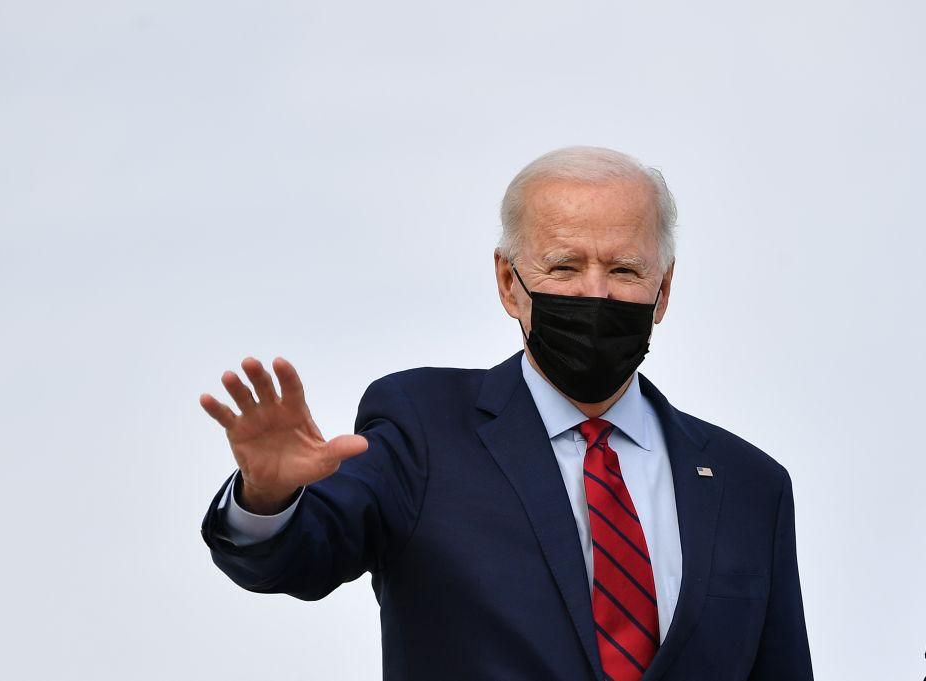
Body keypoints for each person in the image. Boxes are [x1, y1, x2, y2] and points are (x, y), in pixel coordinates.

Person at [198, 146, 814, 681]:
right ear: (508, 282)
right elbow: (306, 554)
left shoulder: (751, 486)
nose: (595, 293)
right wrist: (268, 498)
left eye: (625, 269)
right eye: (565, 267)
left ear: (665, 289)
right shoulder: (423, 428)